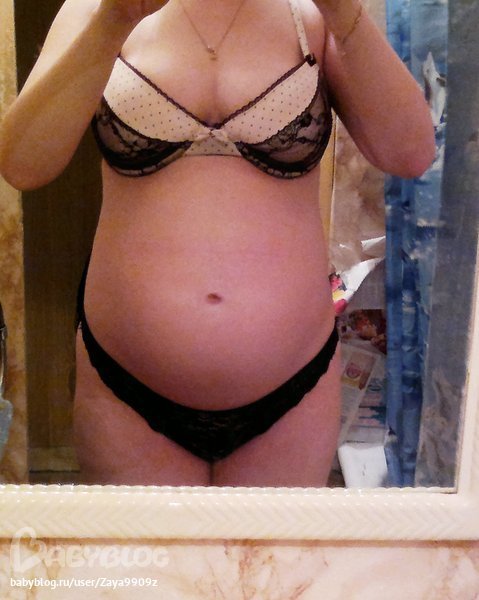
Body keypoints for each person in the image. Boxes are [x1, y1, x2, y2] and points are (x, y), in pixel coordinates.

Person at [0, 0, 435, 487]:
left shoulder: (313, 17)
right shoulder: (94, 9)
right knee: (144, 543)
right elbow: (23, 164)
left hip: (293, 385)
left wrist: (344, 11)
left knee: (272, 543)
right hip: (125, 383)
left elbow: (411, 153)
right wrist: (111, 23)